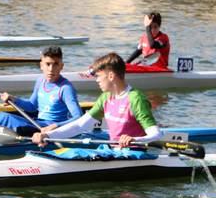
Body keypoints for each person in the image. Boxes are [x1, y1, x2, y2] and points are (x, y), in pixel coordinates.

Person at [33, 52, 162, 149]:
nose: (97, 80)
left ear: (111, 76)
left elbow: (155, 134)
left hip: (136, 153)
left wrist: (134, 139)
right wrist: (48, 136)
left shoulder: (135, 99)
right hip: (115, 151)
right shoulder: (106, 97)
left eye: (99, 76)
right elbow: (80, 125)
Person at [0, 46, 83, 136]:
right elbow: (32, 106)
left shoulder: (65, 88)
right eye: (48, 64)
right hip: (38, 123)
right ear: (41, 65)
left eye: (55, 64)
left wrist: (56, 126)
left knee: (5, 118)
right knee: (0, 116)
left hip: (51, 129)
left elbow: (78, 117)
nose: (51, 69)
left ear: (61, 66)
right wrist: (14, 99)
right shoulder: (40, 81)